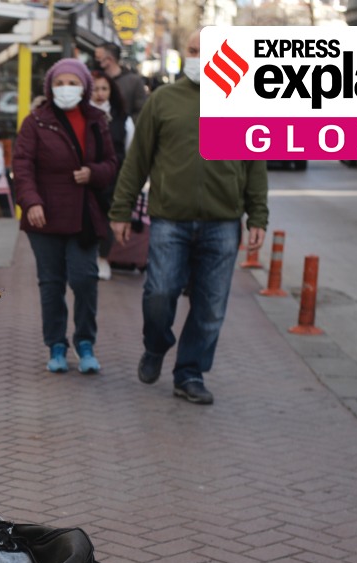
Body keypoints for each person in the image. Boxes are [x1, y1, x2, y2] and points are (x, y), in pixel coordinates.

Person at [107, 28, 268, 406]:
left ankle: (190, 373)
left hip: (223, 222)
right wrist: (121, 209)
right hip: (170, 220)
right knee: (159, 292)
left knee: (211, 305)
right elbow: (138, 160)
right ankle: (157, 344)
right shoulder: (163, 100)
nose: (198, 57)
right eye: (194, 50)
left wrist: (257, 215)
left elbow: (256, 165)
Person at [12, 57, 118, 374]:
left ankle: (85, 342)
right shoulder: (35, 122)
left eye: (72, 83)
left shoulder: (98, 120)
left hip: (84, 216)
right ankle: (56, 345)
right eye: (59, 83)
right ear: (50, 87)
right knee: (51, 283)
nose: (66, 89)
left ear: (84, 86)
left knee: (85, 279)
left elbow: (112, 163)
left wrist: (94, 172)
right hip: (44, 217)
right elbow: (22, 166)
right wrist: (31, 202)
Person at [89, 69, 132, 280]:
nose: (99, 93)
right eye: (95, 88)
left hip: (113, 180)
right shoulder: (81, 116)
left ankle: (103, 258)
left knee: (107, 219)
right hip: (86, 179)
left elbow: (129, 149)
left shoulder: (122, 119)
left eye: (104, 88)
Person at [94, 43, 148, 125]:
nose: (95, 61)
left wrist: (125, 126)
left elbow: (141, 111)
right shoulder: (95, 79)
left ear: (109, 59)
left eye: (98, 58)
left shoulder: (134, 81)